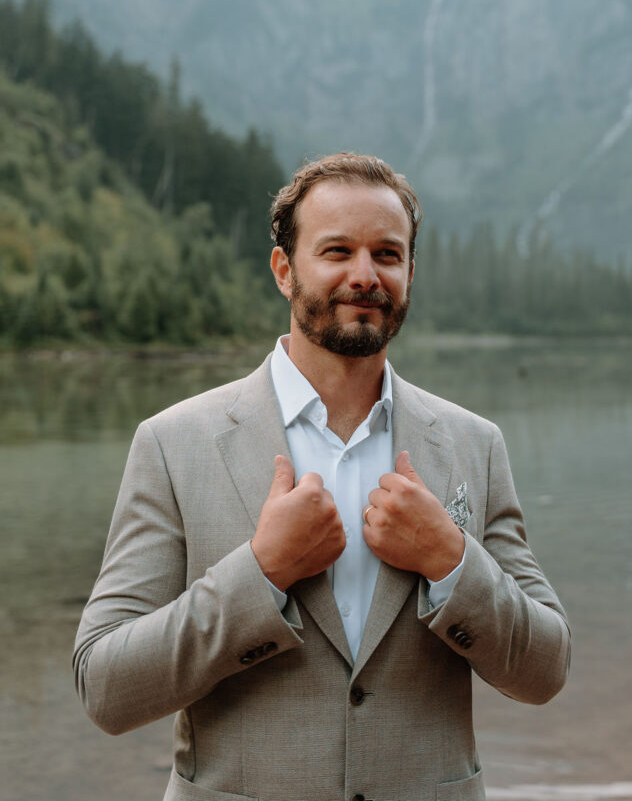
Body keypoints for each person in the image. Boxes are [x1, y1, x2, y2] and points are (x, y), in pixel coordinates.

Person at [74, 152, 570, 801]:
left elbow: (544, 670)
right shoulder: (173, 444)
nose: (364, 275)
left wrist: (451, 561)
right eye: (336, 251)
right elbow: (105, 688)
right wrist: (261, 573)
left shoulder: (475, 445)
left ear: (410, 272)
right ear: (284, 271)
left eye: (387, 255)